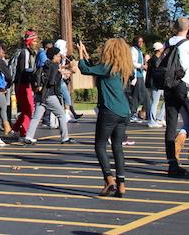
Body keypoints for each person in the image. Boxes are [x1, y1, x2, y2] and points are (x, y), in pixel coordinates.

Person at [77, 38, 133, 197]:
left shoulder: (107, 67)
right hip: (123, 111)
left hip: (109, 110)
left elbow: (85, 69)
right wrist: (86, 55)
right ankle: (121, 183)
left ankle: (109, 179)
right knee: (117, 147)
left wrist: (80, 54)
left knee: (100, 145)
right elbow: (94, 67)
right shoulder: (123, 68)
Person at [23, 47, 75, 145]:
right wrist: (60, 75)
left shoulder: (44, 65)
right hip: (50, 95)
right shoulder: (54, 66)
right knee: (61, 115)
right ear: (54, 56)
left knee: (36, 117)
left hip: (40, 95)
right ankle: (65, 137)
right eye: (59, 56)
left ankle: (29, 136)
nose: (60, 57)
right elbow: (52, 81)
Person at [161, 17, 189, 178]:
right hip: (183, 86)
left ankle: (172, 163)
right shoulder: (186, 45)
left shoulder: (167, 44)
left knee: (171, 125)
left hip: (168, 86)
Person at [11, 31, 38, 140]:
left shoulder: (22, 51)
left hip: (20, 84)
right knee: (29, 109)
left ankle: (15, 128)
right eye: (35, 40)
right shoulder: (25, 53)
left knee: (25, 109)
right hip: (23, 84)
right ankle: (24, 133)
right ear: (29, 41)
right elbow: (24, 70)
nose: (36, 43)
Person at [129, 36, 151, 123]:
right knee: (137, 96)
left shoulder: (140, 51)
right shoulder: (133, 50)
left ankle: (149, 115)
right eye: (139, 42)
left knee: (144, 96)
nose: (141, 43)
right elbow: (132, 62)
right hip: (137, 76)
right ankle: (133, 114)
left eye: (142, 42)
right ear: (135, 42)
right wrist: (142, 66)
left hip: (141, 76)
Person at [146, 42, 166, 128]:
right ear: (159, 50)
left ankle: (159, 118)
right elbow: (156, 73)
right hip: (156, 84)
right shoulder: (154, 60)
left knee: (165, 100)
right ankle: (152, 121)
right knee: (155, 102)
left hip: (159, 83)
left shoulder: (157, 59)